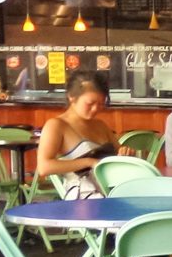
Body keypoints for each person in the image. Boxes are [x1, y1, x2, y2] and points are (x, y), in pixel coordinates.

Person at [35, 70, 116, 199]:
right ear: (72, 97)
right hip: (81, 196)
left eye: (101, 104)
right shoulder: (56, 125)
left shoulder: (101, 125)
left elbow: (118, 154)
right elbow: (44, 167)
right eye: (90, 104)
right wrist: (88, 162)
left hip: (110, 191)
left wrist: (125, 152)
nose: (96, 109)